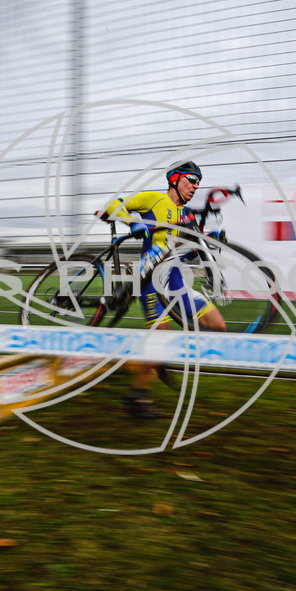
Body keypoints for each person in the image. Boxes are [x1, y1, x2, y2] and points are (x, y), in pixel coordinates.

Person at [98, 161, 226, 418]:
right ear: (175, 179)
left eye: (198, 182)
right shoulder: (153, 199)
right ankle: (137, 398)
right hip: (151, 281)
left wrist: (209, 243)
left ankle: (157, 360)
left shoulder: (187, 215)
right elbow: (112, 206)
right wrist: (133, 222)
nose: (195, 186)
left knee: (218, 325)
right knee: (160, 336)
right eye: (191, 179)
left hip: (177, 282)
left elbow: (186, 254)